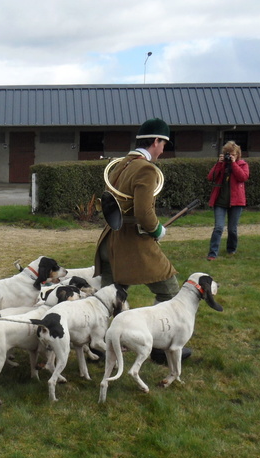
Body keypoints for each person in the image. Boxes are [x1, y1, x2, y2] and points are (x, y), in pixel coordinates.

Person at [94, 117, 189, 363]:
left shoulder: (119, 164)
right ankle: (159, 346)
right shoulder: (146, 169)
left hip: (109, 242)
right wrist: (157, 231)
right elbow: (144, 213)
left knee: (108, 299)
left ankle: (102, 346)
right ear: (155, 141)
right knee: (169, 291)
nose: (163, 149)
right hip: (132, 244)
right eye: (163, 144)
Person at [206, 141, 249, 260]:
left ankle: (231, 249)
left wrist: (234, 164)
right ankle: (212, 253)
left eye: (233, 154)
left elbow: (243, 177)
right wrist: (219, 164)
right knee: (218, 227)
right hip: (220, 201)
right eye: (228, 154)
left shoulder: (242, 164)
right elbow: (210, 178)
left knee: (232, 229)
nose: (230, 156)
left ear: (238, 154)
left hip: (236, 202)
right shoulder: (221, 165)